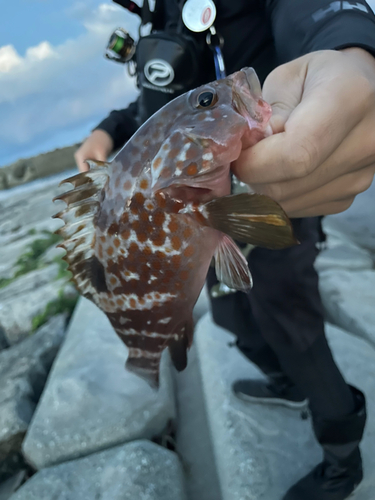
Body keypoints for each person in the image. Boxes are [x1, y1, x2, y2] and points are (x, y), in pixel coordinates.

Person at [75, 2, 375, 499]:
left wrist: (356, 52)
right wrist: (109, 128)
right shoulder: (162, 11)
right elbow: (160, 104)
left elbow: (313, 11)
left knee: (289, 320)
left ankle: (343, 458)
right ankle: (286, 384)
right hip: (204, 216)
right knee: (235, 317)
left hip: (275, 197)